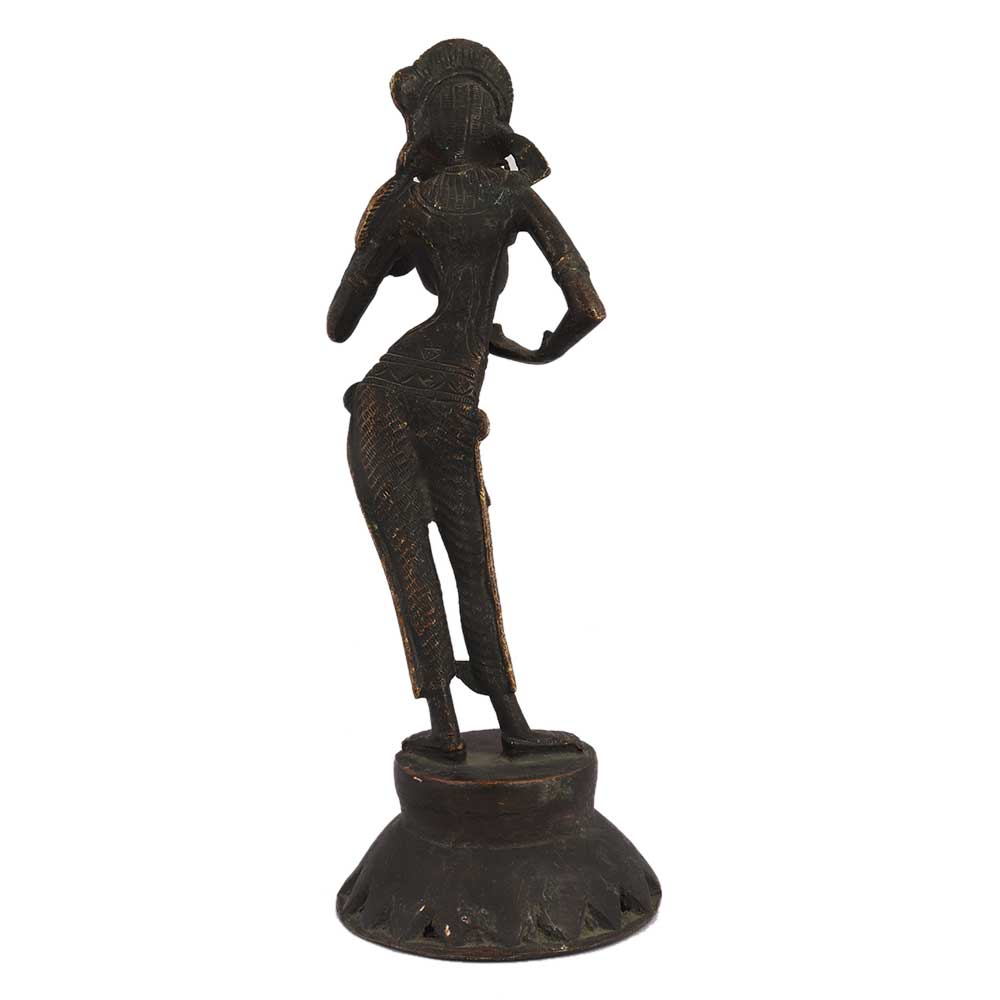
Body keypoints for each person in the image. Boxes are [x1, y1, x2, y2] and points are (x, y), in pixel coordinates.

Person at [327, 40, 605, 755]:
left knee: (416, 560)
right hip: (440, 399)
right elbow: (586, 308)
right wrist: (538, 349)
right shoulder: (514, 195)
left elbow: (340, 322)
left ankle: (450, 726)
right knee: (469, 560)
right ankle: (506, 722)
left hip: (391, 398)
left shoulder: (409, 202)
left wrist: (378, 238)